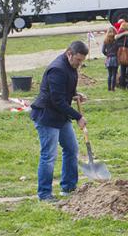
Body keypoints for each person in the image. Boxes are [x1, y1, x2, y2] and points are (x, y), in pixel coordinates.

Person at [30, 41, 89, 202]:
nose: (79, 64)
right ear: (69, 53)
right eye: (78, 60)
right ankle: (44, 194)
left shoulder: (71, 67)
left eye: (82, 61)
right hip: (47, 116)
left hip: (60, 116)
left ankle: (68, 187)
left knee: (71, 148)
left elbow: (65, 89)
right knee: (49, 155)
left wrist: (76, 94)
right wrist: (78, 116)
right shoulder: (57, 69)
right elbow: (57, 100)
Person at [115, 22, 128, 90]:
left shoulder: (118, 36)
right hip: (127, 55)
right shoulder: (127, 35)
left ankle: (122, 86)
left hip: (121, 56)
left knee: (122, 71)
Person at [101, 27, 118, 91]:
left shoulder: (105, 40)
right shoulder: (116, 40)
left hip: (108, 58)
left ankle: (109, 88)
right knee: (114, 74)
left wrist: (107, 54)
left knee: (109, 74)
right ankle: (113, 88)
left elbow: (103, 51)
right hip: (115, 58)